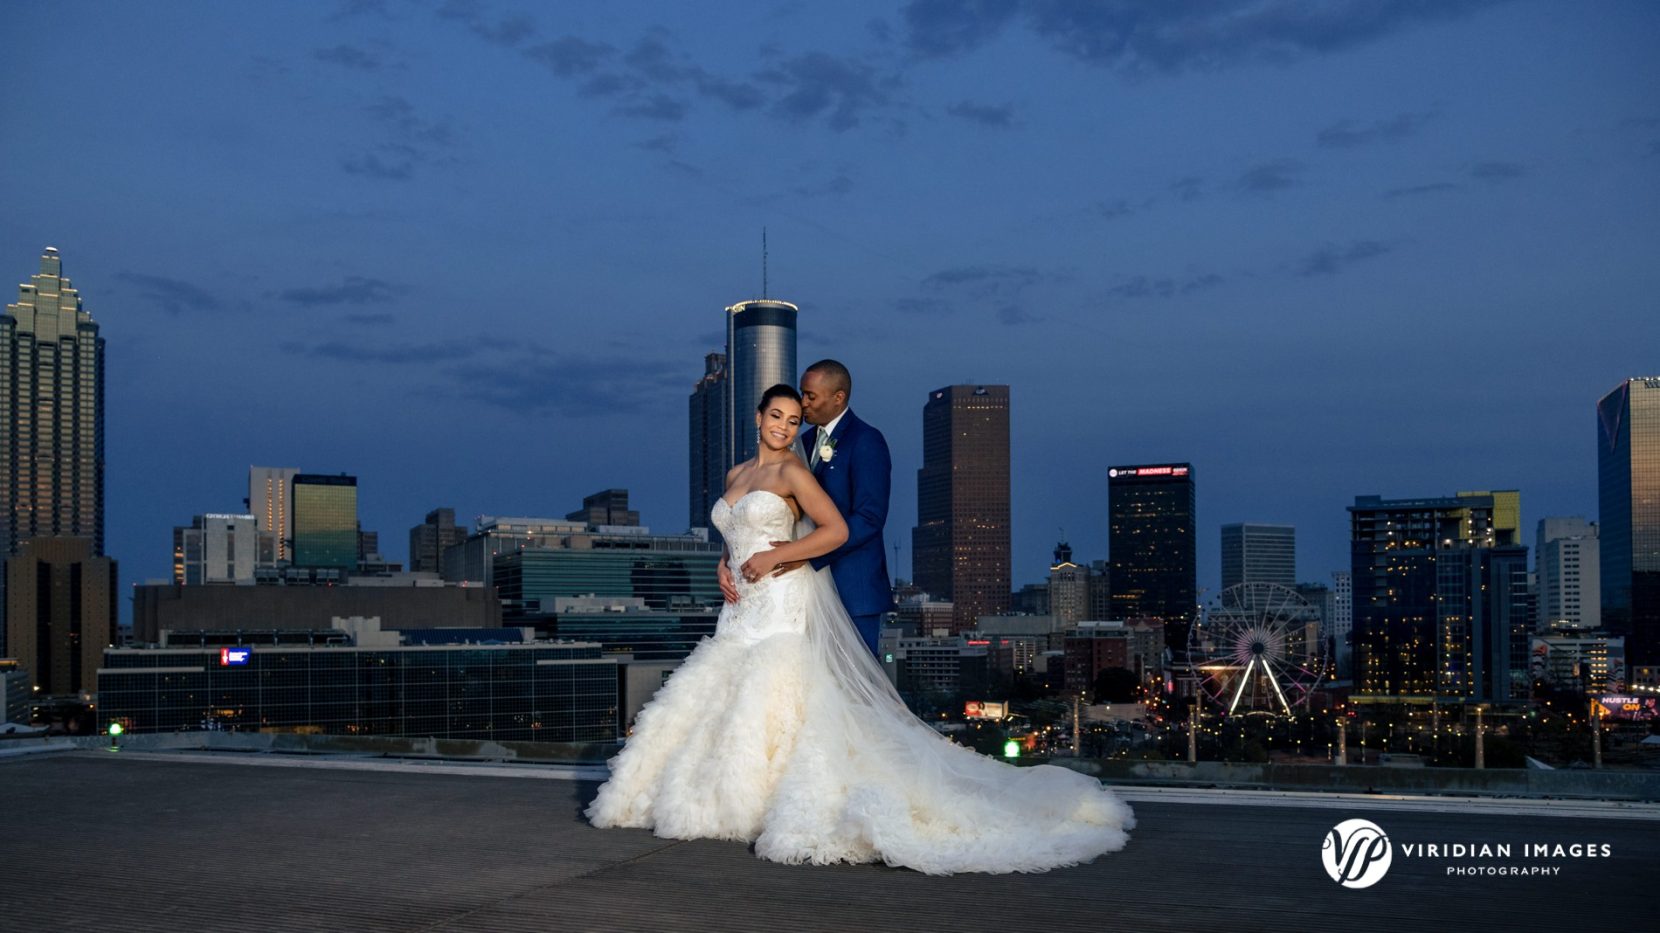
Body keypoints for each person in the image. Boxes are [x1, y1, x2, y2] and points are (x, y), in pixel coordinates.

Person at [586, 383, 1134, 874]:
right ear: (757, 418)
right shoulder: (736, 475)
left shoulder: (793, 472)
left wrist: (779, 558)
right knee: (723, 692)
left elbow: (837, 529)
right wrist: (724, 563)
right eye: (775, 416)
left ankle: (769, 800)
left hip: (779, 600)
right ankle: (714, 797)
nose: (783, 427)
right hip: (739, 606)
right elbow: (732, 531)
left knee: (777, 696)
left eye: (792, 420)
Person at [719, 359, 893, 656]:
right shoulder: (801, 442)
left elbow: (869, 518)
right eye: (802, 393)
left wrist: (806, 556)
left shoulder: (866, 440)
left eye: (810, 396)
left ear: (838, 397)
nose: (803, 402)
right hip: (795, 588)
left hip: (852, 586)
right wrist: (726, 561)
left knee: (851, 691)